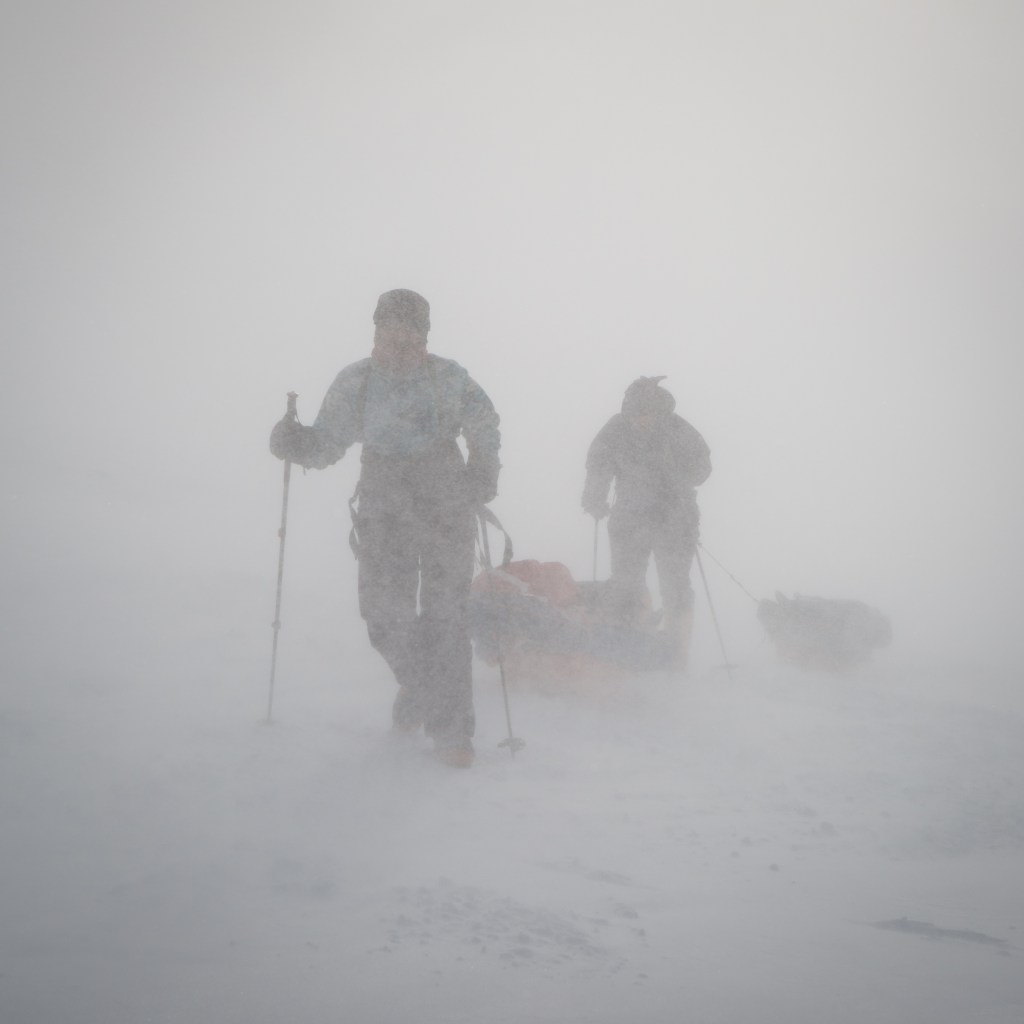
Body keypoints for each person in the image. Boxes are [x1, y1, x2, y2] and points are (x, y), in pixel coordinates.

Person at [269, 289, 501, 767]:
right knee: (383, 618)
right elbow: (327, 444)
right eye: (389, 328)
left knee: (446, 617)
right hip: (384, 502)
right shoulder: (356, 382)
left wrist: (483, 468)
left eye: (410, 330)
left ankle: (453, 731)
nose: (399, 338)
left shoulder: (449, 378)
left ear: (424, 335)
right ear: (375, 330)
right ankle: (421, 693)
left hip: (445, 501)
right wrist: (295, 443)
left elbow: (484, 421)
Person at [581, 376, 711, 670]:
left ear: (657, 410)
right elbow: (598, 465)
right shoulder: (620, 428)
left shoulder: (675, 429)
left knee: (674, 587)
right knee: (627, 586)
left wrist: (676, 479)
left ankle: (676, 656)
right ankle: (629, 653)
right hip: (635, 519)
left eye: (644, 413)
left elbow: (703, 467)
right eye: (634, 413)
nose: (639, 420)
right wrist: (595, 498)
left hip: (671, 519)